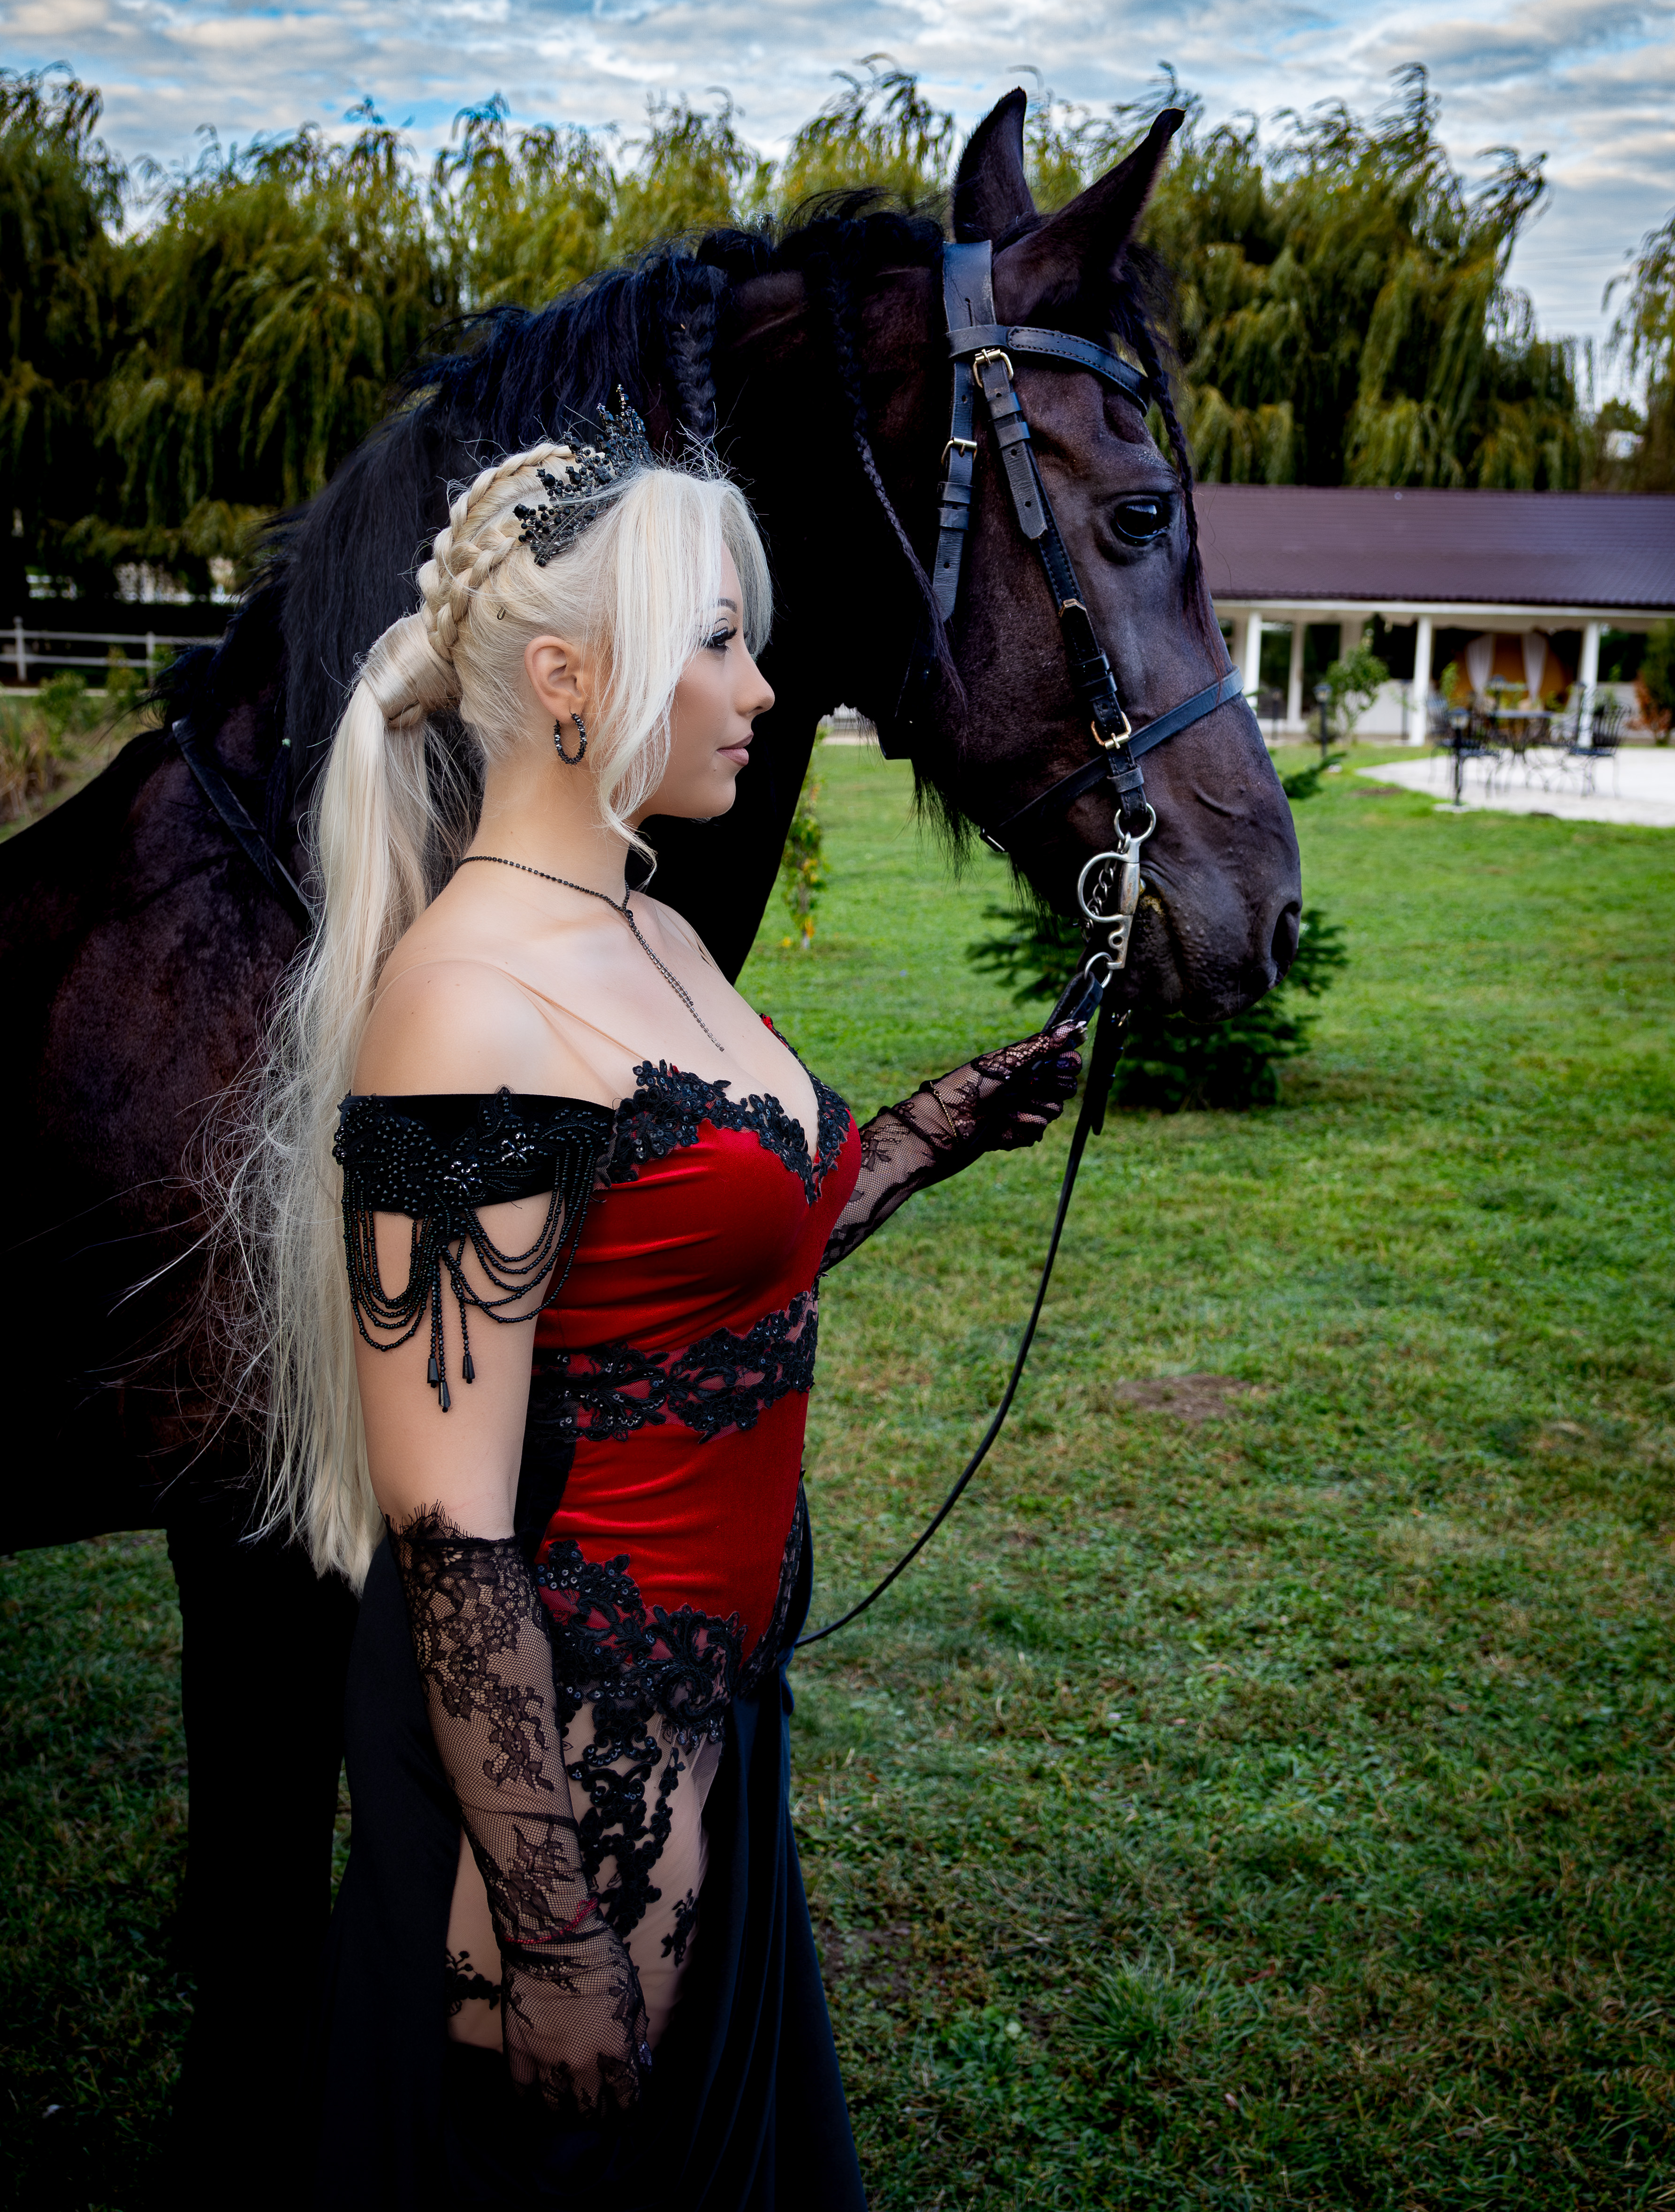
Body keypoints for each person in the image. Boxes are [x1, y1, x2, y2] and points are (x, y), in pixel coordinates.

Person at [245, 408, 1080, 2208]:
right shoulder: (466, 1009)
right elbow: (450, 1528)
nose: (761, 689)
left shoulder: (657, 930)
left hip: (716, 1706)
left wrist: (931, 1130)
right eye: (717, 641)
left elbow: (693, 1276)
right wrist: (551, 1928)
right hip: (562, 1764)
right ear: (568, 680)